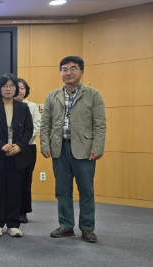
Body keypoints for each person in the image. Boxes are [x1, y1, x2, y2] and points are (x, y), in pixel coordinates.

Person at [40, 56, 106, 243]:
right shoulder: (52, 95)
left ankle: (87, 228)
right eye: (64, 69)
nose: (68, 73)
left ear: (82, 72)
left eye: (73, 68)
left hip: (85, 150)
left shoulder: (93, 94)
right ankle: (66, 225)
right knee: (62, 190)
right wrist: (45, 145)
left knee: (86, 190)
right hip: (59, 149)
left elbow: (100, 124)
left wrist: (97, 147)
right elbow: (45, 124)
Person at [0, 74, 33, 237]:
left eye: (11, 85)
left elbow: (28, 129)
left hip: (17, 155)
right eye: (5, 85)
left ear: (16, 88)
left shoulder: (23, 107)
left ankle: (13, 224)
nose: (8, 88)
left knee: (14, 191)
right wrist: (1, 144)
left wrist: (20, 145)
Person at [14, 78, 41, 223]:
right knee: (10, 181)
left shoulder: (32, 106)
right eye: (16, 87)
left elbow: (36, 126)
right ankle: (9, 210)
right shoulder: (4, 106)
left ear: (26, 90)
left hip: (28, 147)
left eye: (22, 88)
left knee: (25, 181)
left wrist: (21, 143)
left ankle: (22, 211)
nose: (19, 90)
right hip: (9, 148)